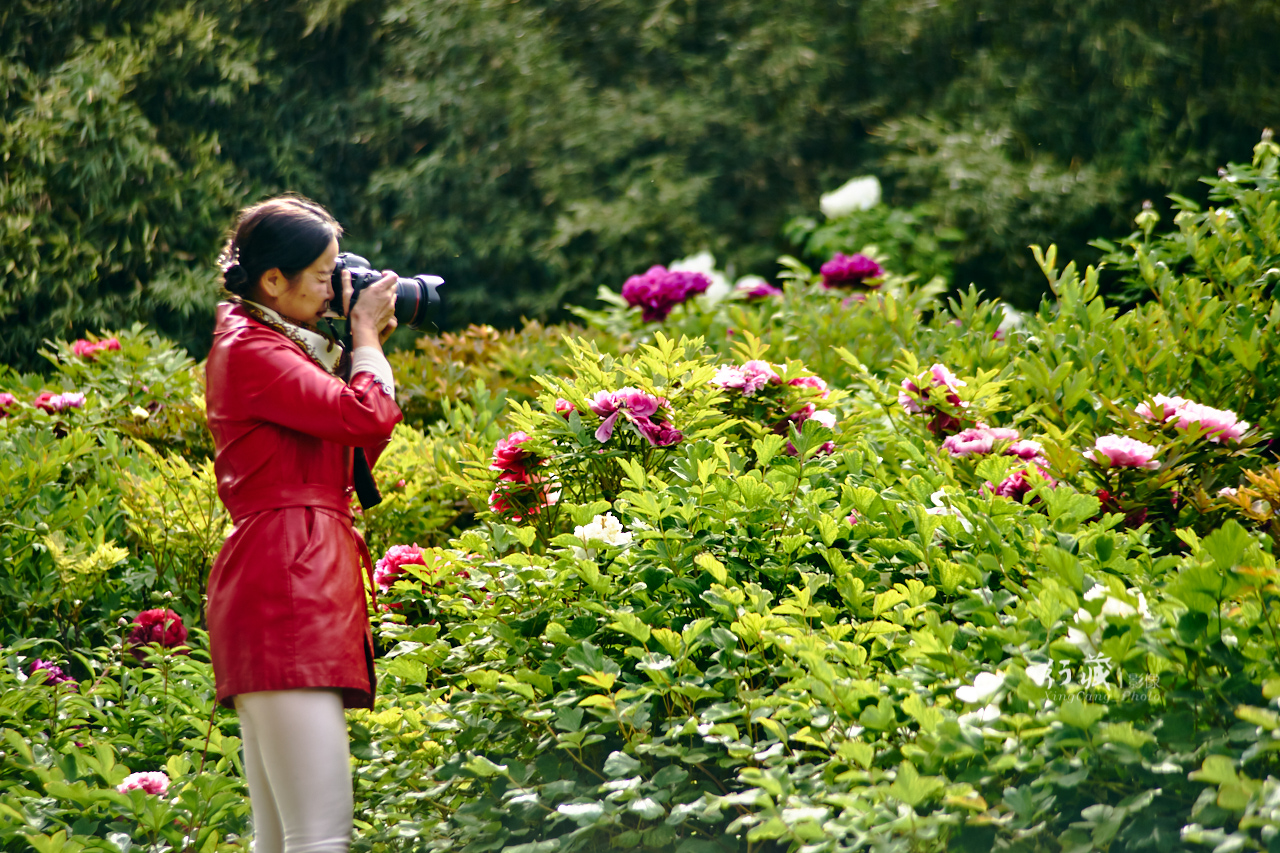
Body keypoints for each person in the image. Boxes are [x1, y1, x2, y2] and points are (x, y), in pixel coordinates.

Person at [204, 195, 402, 853]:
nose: (332, 288)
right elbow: (368, 418)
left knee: (284, 840)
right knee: (319, 839)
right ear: (272, 281)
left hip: (283, 575)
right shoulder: (254, 350)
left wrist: (355, 350)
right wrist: (367, 340)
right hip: (288, 583)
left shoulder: (264, 344)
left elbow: (350, 455)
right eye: (321, 275)